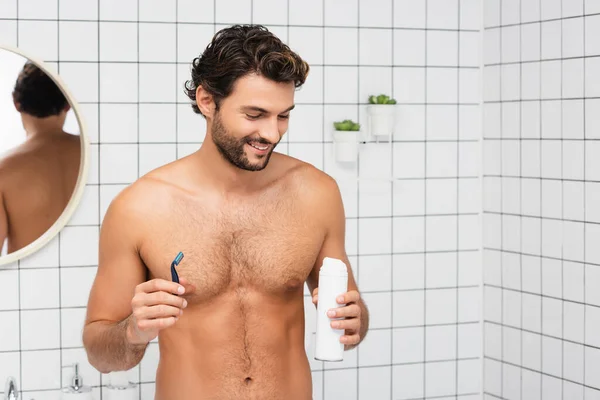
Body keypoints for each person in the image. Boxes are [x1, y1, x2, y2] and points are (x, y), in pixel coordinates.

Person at [82, 24, 369, 400]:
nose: (272, 133)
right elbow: (100, 354)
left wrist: (355, 322)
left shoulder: (317, 194)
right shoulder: (139, 209)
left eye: (283, 116)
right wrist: (134, 330)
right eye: (255, 114)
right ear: (206, 101)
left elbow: (351, 321)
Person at [0, 61, 81, 254]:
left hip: (29, 278)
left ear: (15, 102)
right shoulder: (93, 154)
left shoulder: (4, 170)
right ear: (68, 104)